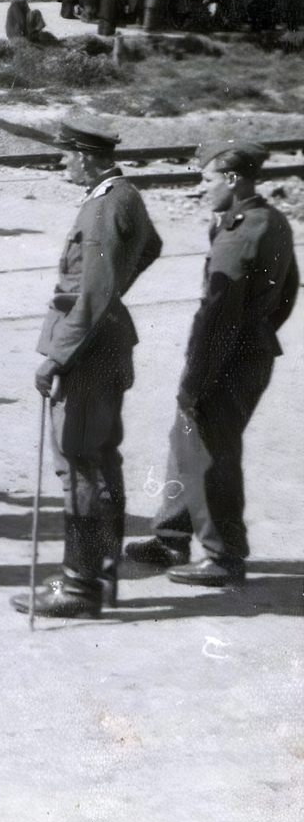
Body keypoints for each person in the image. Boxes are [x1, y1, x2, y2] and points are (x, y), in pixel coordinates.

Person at [126, 141, 297, 587]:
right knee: (187, 442)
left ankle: (225, 556)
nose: (200, 188)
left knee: (210, 452)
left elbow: (217, 315)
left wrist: (196, 378)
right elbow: (291, 288)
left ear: (233, 180)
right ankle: (171, 538)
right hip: (249, 351)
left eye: (206, 179)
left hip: (226, 359)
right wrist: (261, 329)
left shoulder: (241, 232)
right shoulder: (271, 220)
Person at [13, 115, 162, 619]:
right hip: (106, 343)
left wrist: (58, 355)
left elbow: (93, 292)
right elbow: (152, 247)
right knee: (102, 459)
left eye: (66, 154)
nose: (62, 162)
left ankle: (79, 586)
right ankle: (103, 569)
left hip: (87, 353)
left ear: (88, 157)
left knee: (78, 463)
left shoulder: (100, 208)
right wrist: (114, 289)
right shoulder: (125, 194)